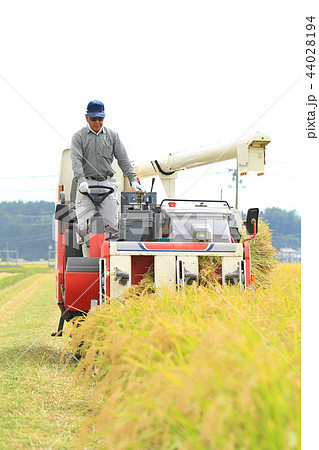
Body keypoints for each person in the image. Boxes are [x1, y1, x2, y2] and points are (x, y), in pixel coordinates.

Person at [70, 100, 145, 256]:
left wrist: (133, 179)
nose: (97, 122)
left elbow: (123, 159)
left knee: (112, 224)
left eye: (100, 119)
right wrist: (81, 180)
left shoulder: (112, 136)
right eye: (94, 119)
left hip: (107, 182)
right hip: (86, 183)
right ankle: (88, 259)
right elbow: (76, 161)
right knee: (84, 226)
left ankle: (109, 261)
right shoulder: (78, 137)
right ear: (86, 118)